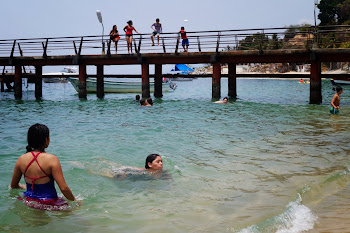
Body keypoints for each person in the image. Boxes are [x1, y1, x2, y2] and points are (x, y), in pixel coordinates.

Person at [10, 124, 76, 209]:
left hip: (28, 201)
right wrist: (75, 201)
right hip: (49, 203)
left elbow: (14, 186)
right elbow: (63, 188)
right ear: (46, 140)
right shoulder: (52, 159)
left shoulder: (21, 159)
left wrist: (23, 186)